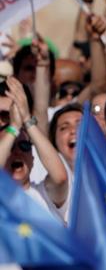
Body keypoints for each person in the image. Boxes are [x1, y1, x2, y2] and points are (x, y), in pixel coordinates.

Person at [1, 78, 69, 222]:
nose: (17, 152)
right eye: (10, 148)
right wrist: (13, 127)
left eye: (24, 146)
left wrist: (26, 119)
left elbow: (60, 178)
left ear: (33, 158)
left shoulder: (44, 194)